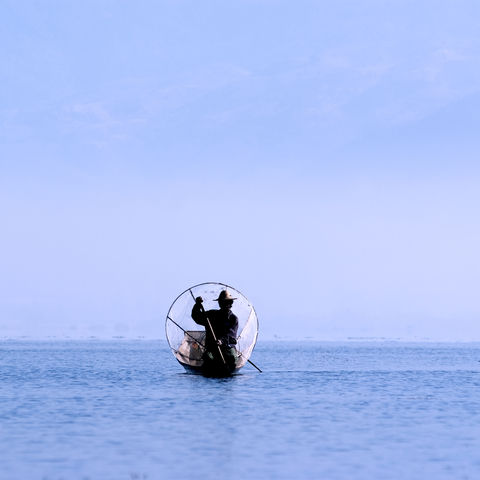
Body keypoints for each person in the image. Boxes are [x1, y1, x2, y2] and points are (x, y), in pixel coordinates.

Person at [191, 289, 239, 373]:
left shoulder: (233, 319)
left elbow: (230, 336)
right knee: (208, 358)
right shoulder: (211, 314)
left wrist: (221, 341)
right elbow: (196, 317)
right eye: (221, 302)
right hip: (212, 348)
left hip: (227, 348)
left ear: (231, 304)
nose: (223, 304)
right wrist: (197, 305)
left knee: (231, 358)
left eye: (227, 302)